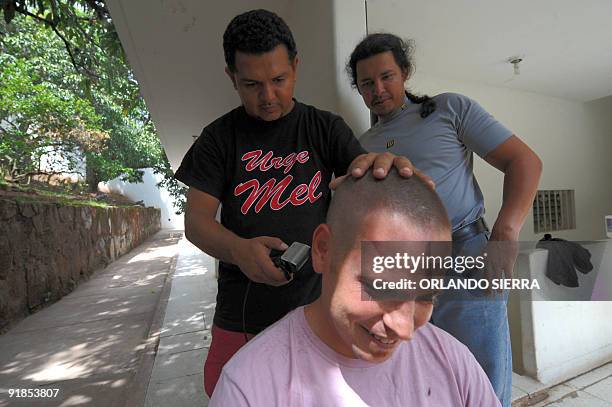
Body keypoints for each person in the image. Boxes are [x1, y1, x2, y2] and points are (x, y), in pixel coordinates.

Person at [174, 11, 419, 397]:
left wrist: (380, 172)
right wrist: (238, 250)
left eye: (278, 80)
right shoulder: (219, 138)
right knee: (231, 394)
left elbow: (359, 171)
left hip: (318, 312)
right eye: (251, 84)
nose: (267, 96)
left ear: (295, 67)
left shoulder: (324, 128)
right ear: (231, 77)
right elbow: (196, 222)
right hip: (243, 315)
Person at [346, 33, 543, 407]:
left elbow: (525, 162)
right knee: (417, 377)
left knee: (481, 377)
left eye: (387, 76)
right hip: (399, 267)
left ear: (404, 72)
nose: (378, 89)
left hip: (465, 254)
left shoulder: (448, 109)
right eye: (367, 83)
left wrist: (504, 234)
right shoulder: (363, 143)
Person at [209, 171, 501, 406]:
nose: (405, 330)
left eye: (427, 293)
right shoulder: (249, 387)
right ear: (323, 250)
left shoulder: (452, 362)